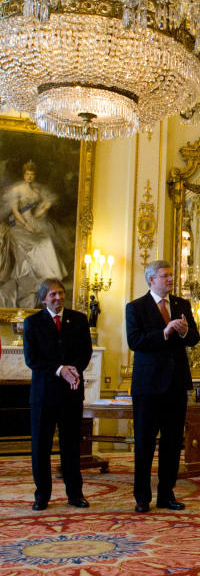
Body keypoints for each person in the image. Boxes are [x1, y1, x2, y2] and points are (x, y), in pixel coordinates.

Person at [126, 260, 200, 513]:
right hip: (148, 387)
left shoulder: (181, 304)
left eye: (171, 275)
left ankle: (166, 495)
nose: (171, 279)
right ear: (151, 279)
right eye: (165, 276)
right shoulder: (135, 307)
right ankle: (142, 497)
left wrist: (184, 330)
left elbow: (194, 339)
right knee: (145, 443)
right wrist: (165, 331)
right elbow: (135, 341)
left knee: (171, 443)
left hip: (176, 384)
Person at [22, 278, 92, 510]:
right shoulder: (32, 323)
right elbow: (32, 359)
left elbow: (86, 351)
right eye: (52, 294)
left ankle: (75, 494)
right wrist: (61, 369)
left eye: (61, 293)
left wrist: (74, 369)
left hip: (71, 393)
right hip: (44, 395)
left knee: (71, 445)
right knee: (41, 447)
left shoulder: (79, 319)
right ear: (43, 299)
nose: (58, 298)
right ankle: (42, 495)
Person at [0, 161, 67, 308]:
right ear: (24, 175)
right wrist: (26, 225)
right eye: (27, 174)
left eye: (32, 174)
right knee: (21, 244)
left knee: (46, 242)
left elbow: (45, 203)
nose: (29, 177)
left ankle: (45, 277)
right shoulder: (17, 190)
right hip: (20, 224)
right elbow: (16, 211)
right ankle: (25, 278)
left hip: (35, 223)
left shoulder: (36, 191)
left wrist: (42, 211)